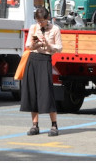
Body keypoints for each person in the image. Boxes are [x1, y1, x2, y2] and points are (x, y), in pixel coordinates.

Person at [21, 7, 63, 136]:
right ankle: (35, 125)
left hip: (45, 59)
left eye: (42, 21)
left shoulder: (55, 29)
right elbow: (28, 46)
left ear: (47, 18)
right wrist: (36, 44)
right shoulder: (34, 28)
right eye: (38, 21)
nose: (40, 23)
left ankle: (54, 125)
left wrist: (48, 45)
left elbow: (59, 48)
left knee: (46, 92)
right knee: (32, 92)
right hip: (33, 60)